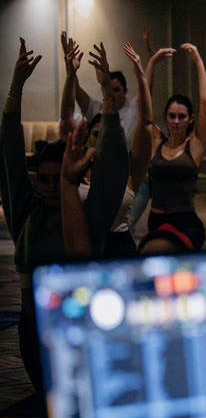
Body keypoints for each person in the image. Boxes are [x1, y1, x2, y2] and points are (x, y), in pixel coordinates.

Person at [1, 39, 127, 395]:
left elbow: (113, 166)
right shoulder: (26, 211)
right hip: (33, 326)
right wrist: (16, 87)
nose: (51, 187)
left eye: (57, 179)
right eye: (42, 179)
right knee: (46, 399)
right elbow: (9, 153)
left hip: (82, 325)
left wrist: (107, 95)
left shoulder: (87, 213)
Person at [66, 40, 155, 257]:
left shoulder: (129, 171)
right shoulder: (74, 171)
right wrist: (71, 75)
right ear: (88, 138)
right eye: (98, 134)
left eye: (109, 136)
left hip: (119, 248)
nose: (104, 141)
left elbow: (146, 122)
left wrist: (141, 74)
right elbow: (66, 116)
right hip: (83, 249)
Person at [144, 42, 206, 251]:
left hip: (186, 223)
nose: (176, 121)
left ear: (190, 119)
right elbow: (144, 104)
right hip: (156, 220)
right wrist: (152, 62)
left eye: (182, 117)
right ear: (166, 117)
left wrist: (198, 61)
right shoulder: (156, 141)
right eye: (172, 116)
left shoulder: (195, 145)